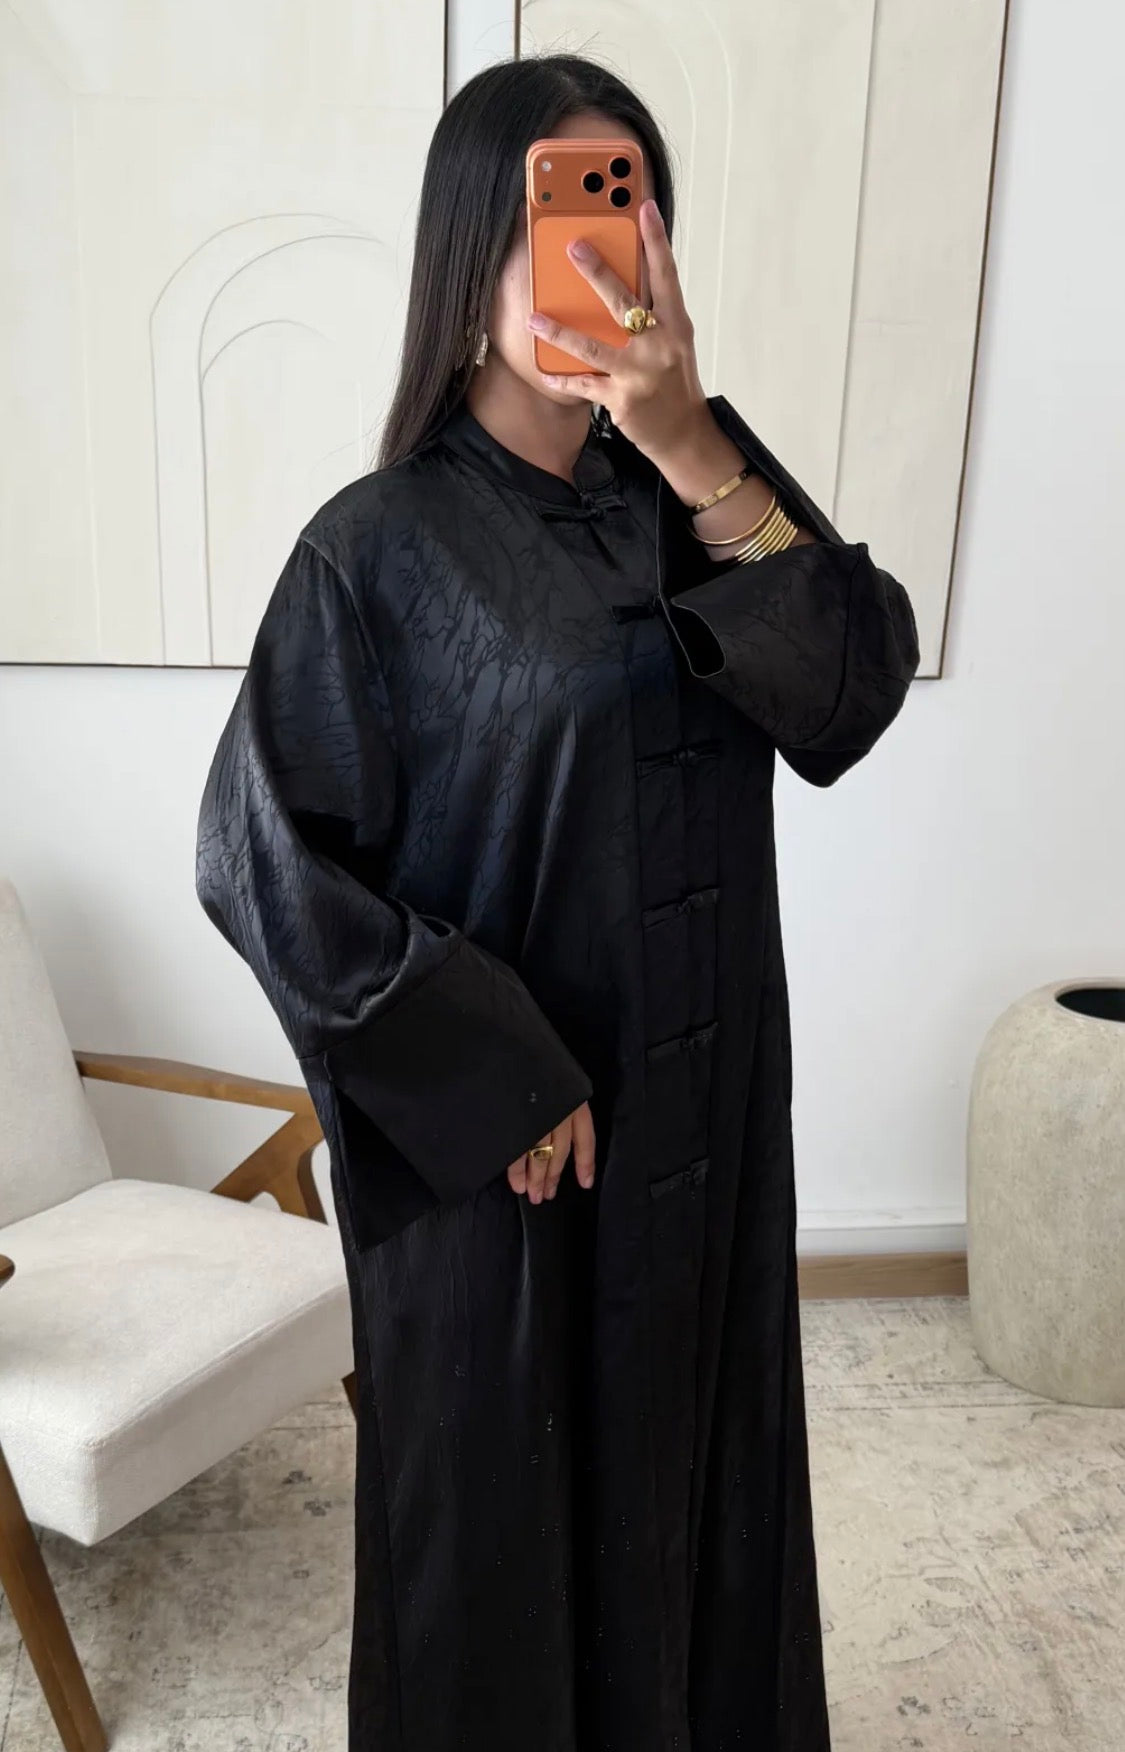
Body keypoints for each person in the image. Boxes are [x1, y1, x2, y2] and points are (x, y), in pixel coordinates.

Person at [194, 51, 920, 1752]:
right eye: (556, 221)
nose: (593, 263)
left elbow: (848, 689)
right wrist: (489, 1074)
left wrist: (684, 433)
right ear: (472, 242)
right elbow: (259, 855)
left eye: (626, 218)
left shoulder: (697, 496)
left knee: (701, 1498)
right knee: (499, 1535)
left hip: (701, 1127)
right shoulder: (375, 547)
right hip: (510, 1169)